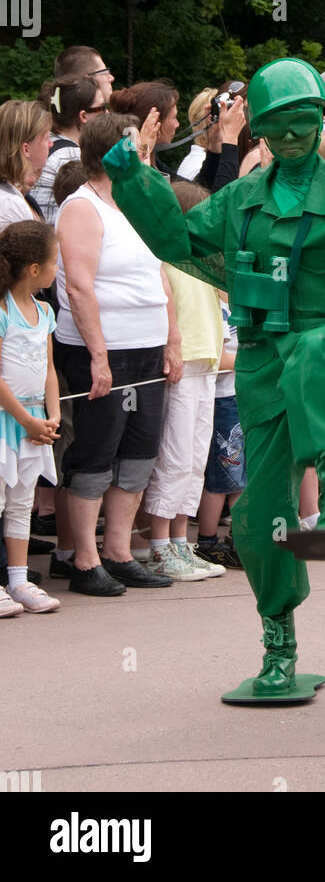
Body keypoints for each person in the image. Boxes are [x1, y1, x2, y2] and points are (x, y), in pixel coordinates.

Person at [101, 58, 325, 705]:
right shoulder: (241, 199)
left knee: (315, 352)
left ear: (321, 124)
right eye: (276, 125)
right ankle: (279, 647)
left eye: (300, 122)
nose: (289, 136)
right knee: (260, 519)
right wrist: (134, 178)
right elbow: (178, 238)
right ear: (259, 129)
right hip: (262, 364)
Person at [53, 114, 181, 596]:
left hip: (148, 345)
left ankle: (119, 551)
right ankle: (84, 560)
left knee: (140, 451)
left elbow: (159, 273)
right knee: (96, 451)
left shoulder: (134, 200)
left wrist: (172, 338)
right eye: (136, 145)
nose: (145, 151)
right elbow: (81, 288)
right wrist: (98, 356)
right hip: (104, 348)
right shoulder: (81, 207)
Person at [136, 181, 225, 581]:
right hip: (184, 364)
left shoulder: (201, 260)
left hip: (207, 365)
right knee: (174, 455)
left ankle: (179, 541)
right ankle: (158, 545)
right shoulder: (166, 262)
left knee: (193, 459)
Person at [0, 221, 62, 615]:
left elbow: (50, 370)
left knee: (22, 501)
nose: (59, 269)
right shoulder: (2, 310)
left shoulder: (45, 311)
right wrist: (26, 420)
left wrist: (51, 415)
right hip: (10, 420)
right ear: (34, 269)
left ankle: (19, 580)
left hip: (35, 422)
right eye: (54, 262)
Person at [193, 293, 244, 568]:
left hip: (244, 396)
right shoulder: (214, 304)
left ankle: (239, 538)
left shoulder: (243, 300)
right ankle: (207, 541)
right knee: (225, 474)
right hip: (224, 398)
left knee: (241, 475)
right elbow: (217, 358)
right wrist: (254, 359)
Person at [31, 75, 108, 225]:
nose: (107, 113)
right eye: (102, 107)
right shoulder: (72, 156)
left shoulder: (47, 141)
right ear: (84, 116)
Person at [0, 100, 53, 230]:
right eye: (46, 138)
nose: (51, 144)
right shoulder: (11, 206)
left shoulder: (18, 196)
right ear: (26, 149)